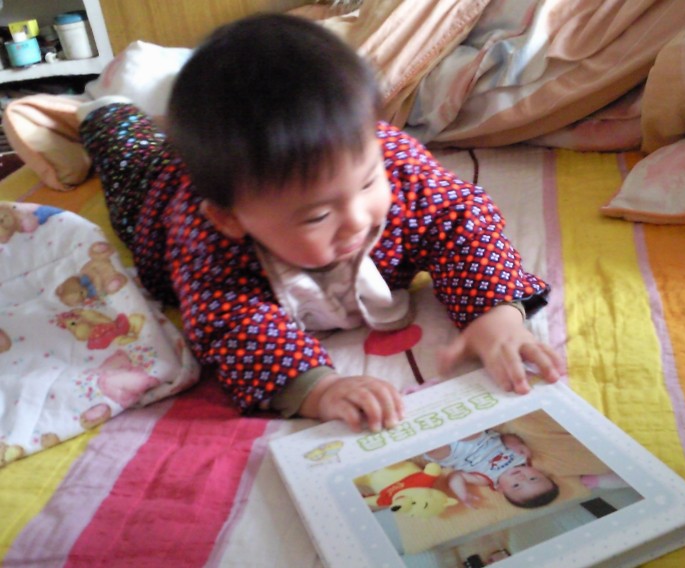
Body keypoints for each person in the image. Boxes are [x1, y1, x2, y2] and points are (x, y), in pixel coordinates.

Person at [77, 13, 560, 433]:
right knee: (129, 151)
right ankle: (106, 109)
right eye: (318, 215)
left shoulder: (394, 163)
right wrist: (315, 387)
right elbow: (229, 322)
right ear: (231, 219)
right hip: (156, 192)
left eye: (368, 183)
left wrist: (494, 313)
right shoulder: (205, 240)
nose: (357, 220)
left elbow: (463, 222)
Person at [424, 430, 559, 509]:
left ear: (500, 489)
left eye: (516, 485)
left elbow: (456, 476)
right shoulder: (522, 456)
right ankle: (453, 426)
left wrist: (462, 493)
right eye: (533, 478)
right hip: (478, 439)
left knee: (436, 451)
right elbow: (506, 437)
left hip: (454, 454)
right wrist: (516, 444)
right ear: (540, 472)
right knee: (470, 433)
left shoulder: (484, 479)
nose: (521, 478)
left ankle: (428, 434)